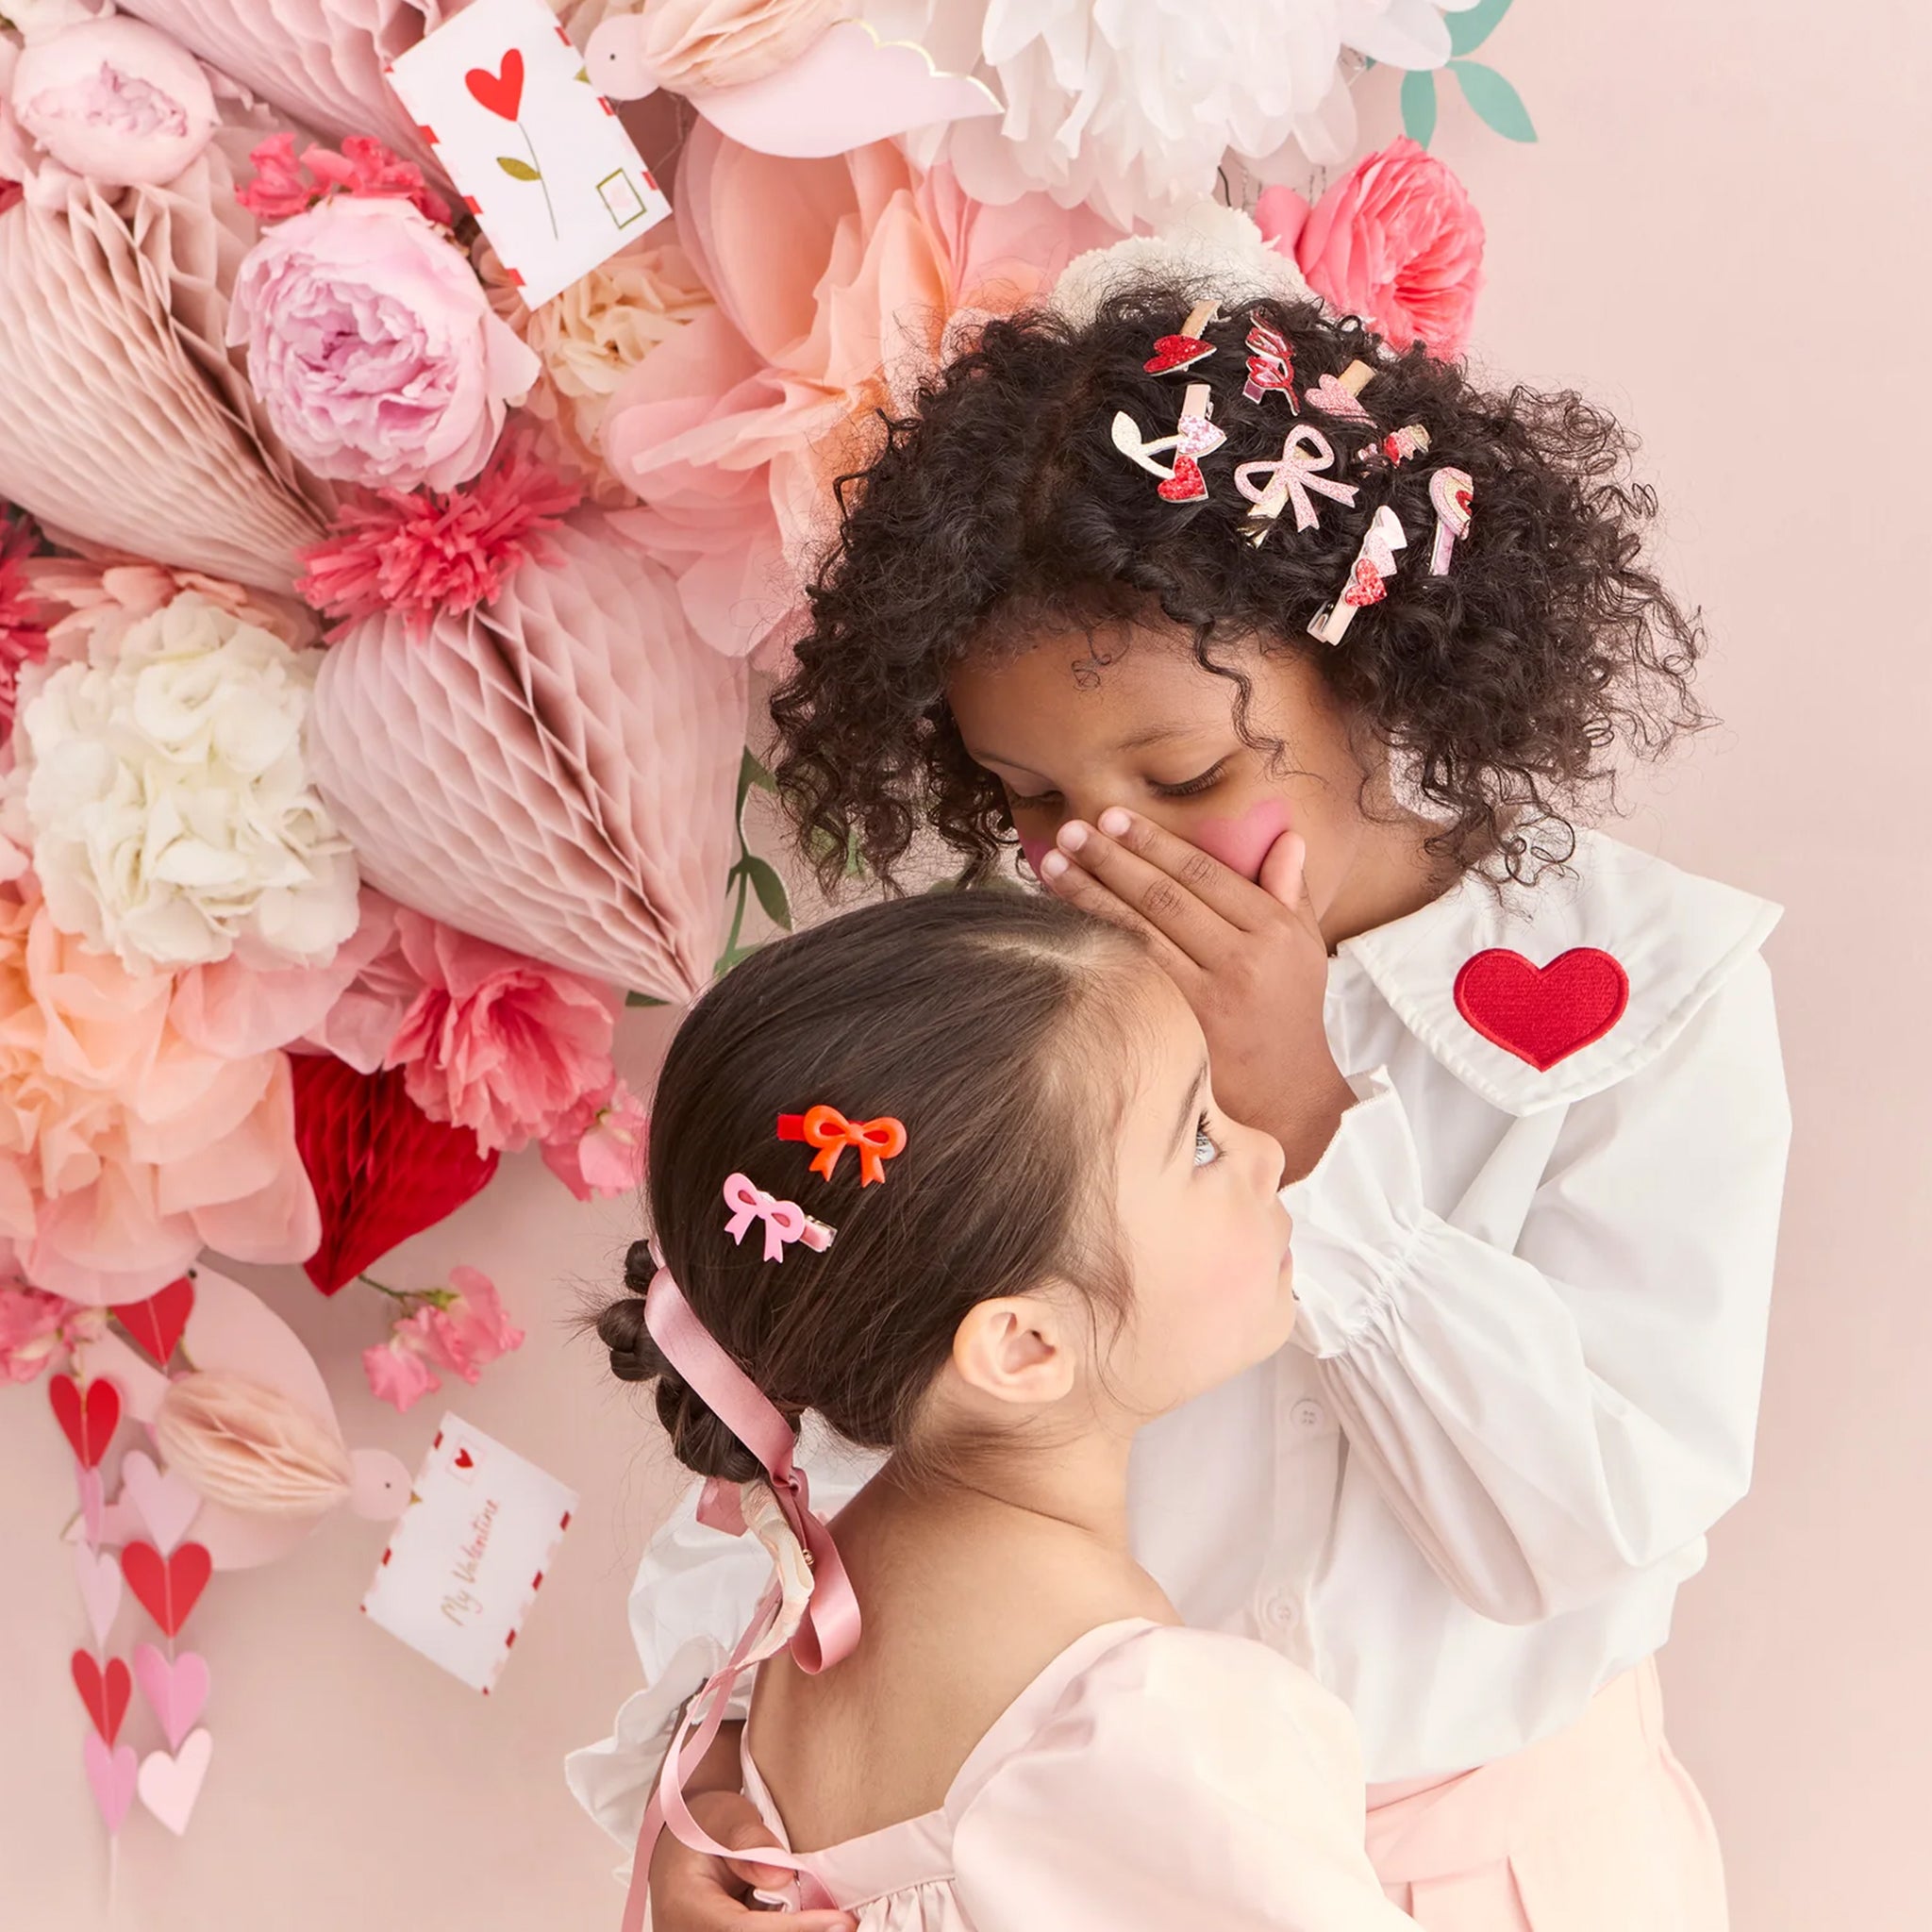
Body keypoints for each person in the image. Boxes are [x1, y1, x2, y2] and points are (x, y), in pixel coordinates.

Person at [573, 280, 1790, 1928]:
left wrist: (1308, 1122)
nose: (1103, 851)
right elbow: (832, 1410)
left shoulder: (1649, 991)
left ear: (1376, 676)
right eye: (1028, 800)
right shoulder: (1029, 1013)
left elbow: (1572, 1539)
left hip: (1507, 1876)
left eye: (1189, 777)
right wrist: (710, 1763)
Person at [586, 890, 1417, 1931]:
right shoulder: (1162, 1728)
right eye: (1199, 1138)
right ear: (1023, 1343)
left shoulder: (796, 1619)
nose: (1266, 1152)